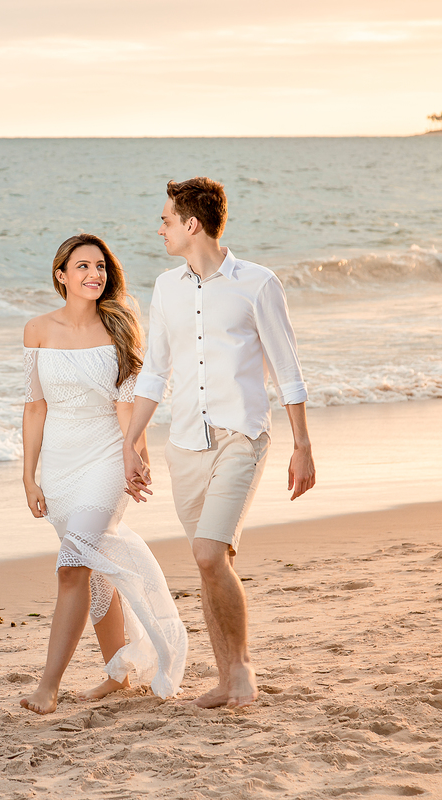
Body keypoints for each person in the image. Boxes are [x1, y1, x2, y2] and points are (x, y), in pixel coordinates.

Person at [122, 177, 316, 709]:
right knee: (210, 560)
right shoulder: (166, 288)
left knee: (210, 553)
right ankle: (226, 674)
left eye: (166, 220)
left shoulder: (257, 283)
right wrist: (131, 441)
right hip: (184, 444)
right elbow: (155, 372)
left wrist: (302, 444)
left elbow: (286, 368)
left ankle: (243, 671)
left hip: (242, 436)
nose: (159, 228)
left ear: (191, 225)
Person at [20, 233, 188, 715]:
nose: (94, 275)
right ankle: (119, 672)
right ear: (61, 275)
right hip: (58, 465)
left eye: (100, 267)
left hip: (106, 460)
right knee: (92, 572)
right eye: (82, 267)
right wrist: (29, 477)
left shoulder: (120, 328)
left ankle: (47, 687)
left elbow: (127, 407)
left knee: (73, 564)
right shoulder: (36, 330)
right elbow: (34, 409)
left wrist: (137, 455)